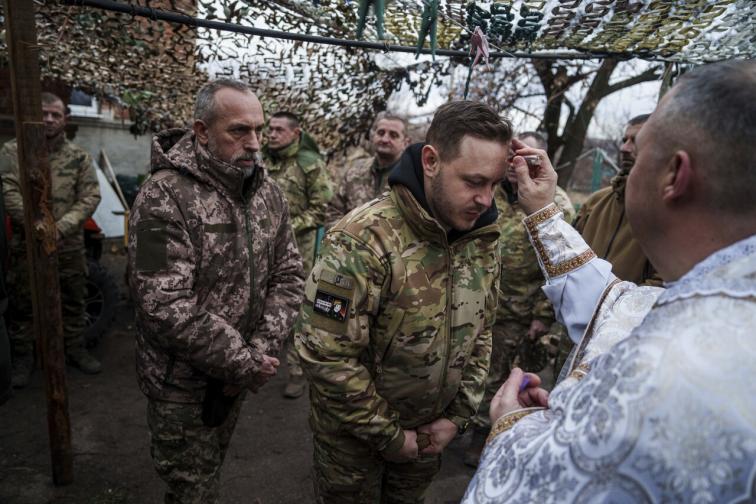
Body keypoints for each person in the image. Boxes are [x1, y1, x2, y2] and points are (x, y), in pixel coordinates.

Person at [464, 59, 756, 503]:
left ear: (674, 175)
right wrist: (542, 211)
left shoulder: (656, 382)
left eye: (639, 159)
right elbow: (616, 304)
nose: (626, 165)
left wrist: (512, 425)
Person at [296, 100, 511, 503]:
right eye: (473, 181)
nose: (486, 199)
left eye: (495, 184)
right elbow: (325, 354)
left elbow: (481, 334)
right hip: (354, 445)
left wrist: (456, 418)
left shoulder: (480, 239)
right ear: (431, 160)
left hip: (429, 441)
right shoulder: (363, 238)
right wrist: (391, 436)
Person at [128, 79, 304, 504]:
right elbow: (162, 301)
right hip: (182, 385)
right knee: (192, 488)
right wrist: (244, 362)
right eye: (239, 131)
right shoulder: (161, 196)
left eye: (259, 130)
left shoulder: (267, 192)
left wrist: (261, 348)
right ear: (202, 132)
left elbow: (290, 273)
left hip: (237, 376)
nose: (255, 143)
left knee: (211, 470)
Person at [463, 131, 574, 467]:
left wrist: (543, 314)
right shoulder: (490, 196)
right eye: (512, 157)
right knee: (476, 369)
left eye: (526, 157)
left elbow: (558, 264)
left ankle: (487, 436)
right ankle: (468, 422)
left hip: (521, 310)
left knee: (503, 375)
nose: (516, 165)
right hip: (481, 306)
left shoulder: (556, 204)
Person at [0, 92, 102, 386]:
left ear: (64, 119)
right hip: (26, 246)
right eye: (44, 113)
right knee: (23, 305)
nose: (48, 119)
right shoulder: (12, 152)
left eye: (55, 115)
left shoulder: (79, 157)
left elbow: (90, 196)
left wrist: (59, 228)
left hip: (67, 245)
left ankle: (75, 350)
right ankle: (23, 359)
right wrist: (38, 228)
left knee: (73, 300)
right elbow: (8, 192)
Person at [262, 110, 332, 399]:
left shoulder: (310, 164)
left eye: (279, 129)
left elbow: (321, 207)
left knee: (299, 309)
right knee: (263, 301)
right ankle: (259, 361)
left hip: (298, 249)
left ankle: (296, 372)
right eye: (271, 129)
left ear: (296, 133)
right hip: (263, 247)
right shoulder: (262, 159)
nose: (272, 134)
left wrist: (287, 226)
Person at [573, 114, 662, 285]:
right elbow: (567, 261)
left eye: (635, 141)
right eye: (624, 140)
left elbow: (666, 286)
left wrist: (605, 304)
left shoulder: (671, 212)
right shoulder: (595, 202)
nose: (624, 148)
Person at [325, 112, 411, 226]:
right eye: (381, 133)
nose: (385, 139)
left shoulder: (412, 178)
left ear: (406, 142)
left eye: (393, 135)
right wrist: (344, 238)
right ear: (373, 136)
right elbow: (333, 212)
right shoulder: (354, 172)